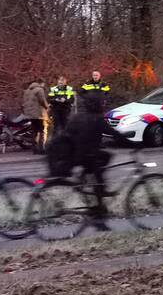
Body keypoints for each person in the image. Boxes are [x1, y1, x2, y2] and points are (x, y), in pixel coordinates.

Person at [57, 94, 133, 231]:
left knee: (103, 160)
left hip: (75, 156)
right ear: (97, 105)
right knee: (99, 179)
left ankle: (94, 186)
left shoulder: (77, 117)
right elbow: (115, 134)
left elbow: (66, 135)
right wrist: (133, 145)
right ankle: (99, 218)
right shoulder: (98, 119)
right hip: (88, 156)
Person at [22, 78, 49, 154]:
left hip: (30, 114)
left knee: (34, 131)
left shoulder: (27, 90)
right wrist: (48, 108)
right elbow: (42, 101)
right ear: (41, 83)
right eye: (43, 84)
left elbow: (24, 102)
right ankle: (42, 149)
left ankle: (34, 148)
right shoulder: (39, 90)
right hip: (38, 114)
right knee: (41, 131)